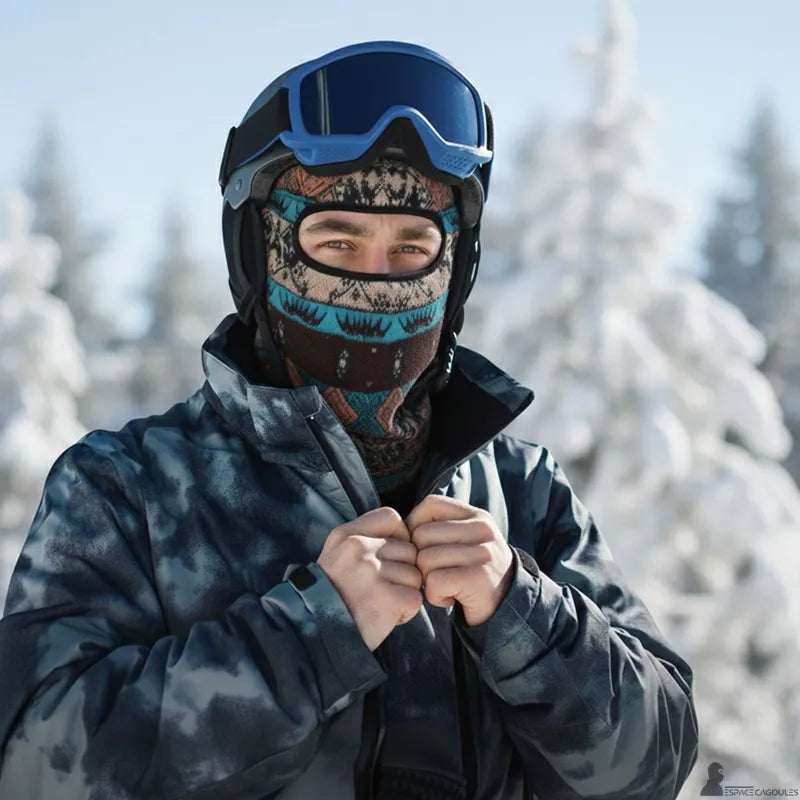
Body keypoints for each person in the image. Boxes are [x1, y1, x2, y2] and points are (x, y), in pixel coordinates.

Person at [0, 40, 698, 799]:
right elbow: (36, 765)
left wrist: (523, 612)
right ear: (262, 256)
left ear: (455, 270)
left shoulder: (523, 492)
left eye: (413, 247)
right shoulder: (129, 489)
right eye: (335, 241)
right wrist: (309, 638)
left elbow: (658, 762)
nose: (377, 284)